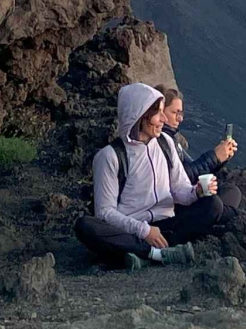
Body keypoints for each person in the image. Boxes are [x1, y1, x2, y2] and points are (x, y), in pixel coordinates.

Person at [74, 82, 224, 270]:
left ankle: (140, 254)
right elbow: (105, 212)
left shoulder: (165, 143)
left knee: (212, 204)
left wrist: (197, 192)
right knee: (86, 226)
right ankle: (156, 253)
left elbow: (180, 190)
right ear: (140, 116)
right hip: (132, 229)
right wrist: (143, 231)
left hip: (167, 224)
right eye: (157, 113)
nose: (163, 119)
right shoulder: (110, 156)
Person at [157, 86, 242, 218]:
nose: (180, 119)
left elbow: (194, 169)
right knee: (215, 204)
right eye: (175, 113)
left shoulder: (172, 139)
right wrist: (215, 157)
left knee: (231, 191)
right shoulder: (159, 142)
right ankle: (223, 218)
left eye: (181, 113)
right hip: (174, 203)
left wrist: (221, 158)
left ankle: (220, 216)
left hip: (191, 194)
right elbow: (181, 177)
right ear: (160, 112)